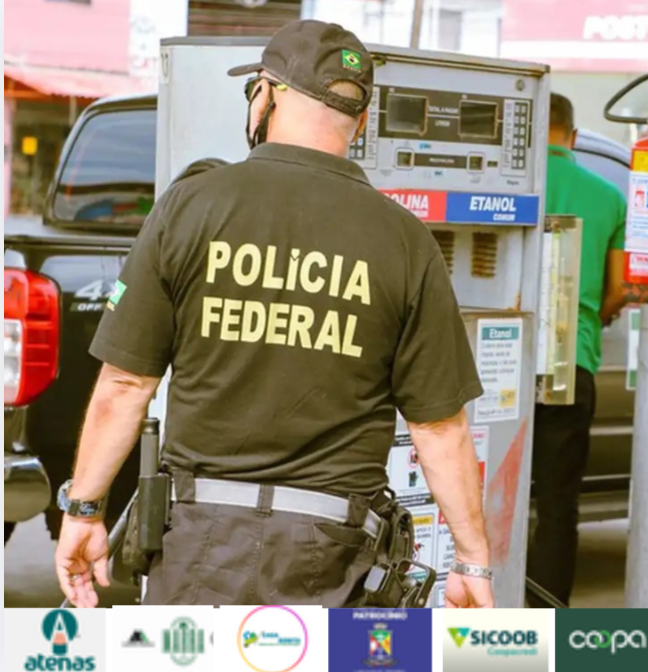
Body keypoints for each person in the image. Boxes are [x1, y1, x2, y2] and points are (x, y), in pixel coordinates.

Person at [53, 20, 495, 609]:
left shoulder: (190, 207)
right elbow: (439, 428)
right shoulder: (406, 241)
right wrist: (472, 560)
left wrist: (84, 510)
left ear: (266, 93)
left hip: (198, 545)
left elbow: (125, 384)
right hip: (335, 559)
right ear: (360, 121)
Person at [526, 92, 628, 606]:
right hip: (572, 364)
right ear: (573, 136)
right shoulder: (608, 195)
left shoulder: (511, 183)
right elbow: (619, 290)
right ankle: (547, 613)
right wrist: (596, 316)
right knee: (558, 505)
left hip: (493, 366)